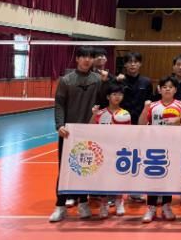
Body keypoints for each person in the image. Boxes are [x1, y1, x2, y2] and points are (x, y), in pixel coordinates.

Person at [49, 46, 111, 222]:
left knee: (86, 168)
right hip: (69, 133)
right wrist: (59, 125)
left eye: (90, 57)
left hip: (90, 133)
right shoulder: (66, 80)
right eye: (83, 56)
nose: (86, 60)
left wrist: (106, 82)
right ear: (77, 59)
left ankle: (83, 202)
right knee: (65, 169)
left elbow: (104, 100)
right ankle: (60, 206)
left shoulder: (98, 80)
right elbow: (59, 104)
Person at [138, 76, 181, 223]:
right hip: (154, 147)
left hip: (173, 146)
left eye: (170, 87)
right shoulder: (153, 106)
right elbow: (141, 124)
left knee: (168, 177)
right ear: (159, 90)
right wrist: (145, 109)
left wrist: (177, 126)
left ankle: (167, 206)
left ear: (175, 90)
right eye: (164, 87)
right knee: (153, 177)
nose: (167, 89)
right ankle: (151, 207)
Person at [89, 82, 130, 219]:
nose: (117, 97)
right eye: (114, 94)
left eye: (120, 94)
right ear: (108, 97)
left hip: (119, 152)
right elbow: (89, 128)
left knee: (118, 177)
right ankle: (104, 203)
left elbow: (129, 133)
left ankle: (119, 201)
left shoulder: (125, 114)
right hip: (103, 152)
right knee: (103, 178)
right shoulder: (100, 113)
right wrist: (93, 115)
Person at [116, 52, 153, 125]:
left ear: (140, 64)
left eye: (136, 62)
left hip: (141, 119)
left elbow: (150, 102)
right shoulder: (119, 81)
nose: (133, 64)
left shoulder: (146, 82)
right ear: (125, 64)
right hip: (121, 118)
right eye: (130, 62)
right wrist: (115, 81)